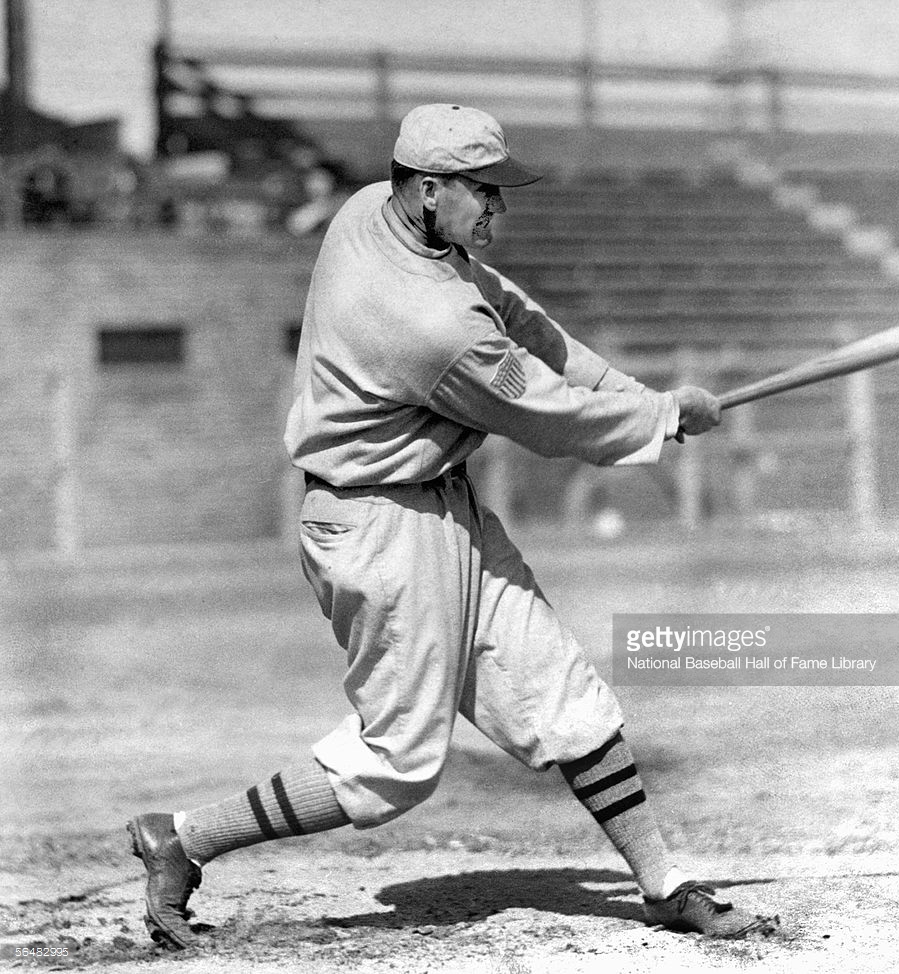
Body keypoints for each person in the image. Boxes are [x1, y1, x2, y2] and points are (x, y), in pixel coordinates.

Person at [127, 103, 780, 950]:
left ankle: (662, 882)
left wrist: (631, 391)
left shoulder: (371, 210)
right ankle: (183, 838)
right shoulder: (429, 326)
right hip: (377, 530)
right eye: (483, 193)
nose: (498, 210)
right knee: (396, 767)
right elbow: (550, 420)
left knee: (566, 699)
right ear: (431, 189)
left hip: (440, 506)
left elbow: (513, 310)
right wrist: (660, 418)